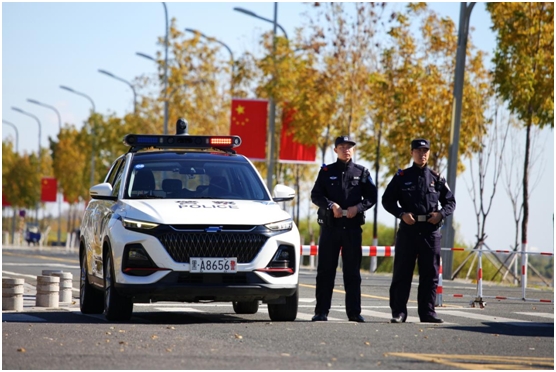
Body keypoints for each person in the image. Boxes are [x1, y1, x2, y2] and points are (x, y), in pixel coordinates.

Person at [382, 138, 456, 323]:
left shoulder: (437, 178)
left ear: (429, 153)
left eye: (425, 151)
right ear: (411, 153)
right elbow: (387, 200)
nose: (422, 154)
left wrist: (441, 214)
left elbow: (450, 202)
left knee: (430, 274)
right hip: (409, 231)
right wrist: (401, 214)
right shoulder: (402, 177)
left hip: (430, 232)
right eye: (418, 150)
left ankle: (427, 313)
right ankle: (399, 313)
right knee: (402, 273)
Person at [310, 135, 377, 322]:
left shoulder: (362, 172)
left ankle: (354, 312)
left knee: (352, 273)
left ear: (353, 150)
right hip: (331, 228)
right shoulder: (326, 171)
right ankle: (321, 311)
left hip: (352, 229)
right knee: (325, 272)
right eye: (342, 146)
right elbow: (315, 195)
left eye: (349, 147)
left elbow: (372, 197)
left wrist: (359, 208)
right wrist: (331, 205)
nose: (346, 149)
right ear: (335, 150)